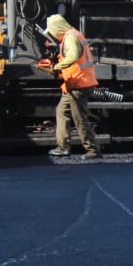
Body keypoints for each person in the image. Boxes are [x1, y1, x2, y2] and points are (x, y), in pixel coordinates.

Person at [40, 14, 101, 159]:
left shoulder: (70, 38)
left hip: (79, 83)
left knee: (79, 118)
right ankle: (63, 147)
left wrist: (56, 67)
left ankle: (92, 150)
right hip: (74, 83)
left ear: (57, 28)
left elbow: (73, 56)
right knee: (62, 112)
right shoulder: (74, 35)